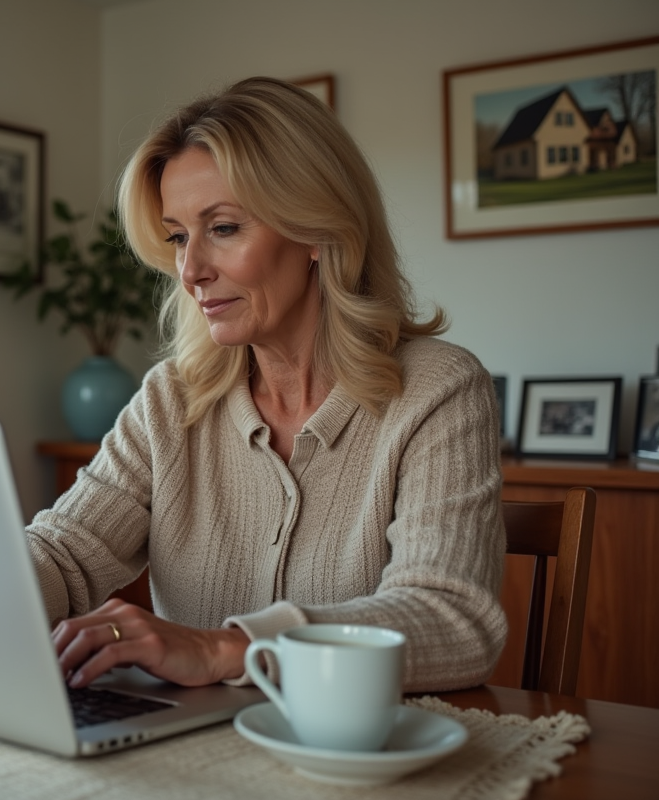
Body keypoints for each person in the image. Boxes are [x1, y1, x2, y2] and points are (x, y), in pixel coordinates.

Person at [26, 77, 507, 694]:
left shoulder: (438, 391)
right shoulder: (170, 400)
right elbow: (64, 554)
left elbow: (452, 619)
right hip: (191, 764)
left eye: (222, 228)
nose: (191, 270)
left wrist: (226, 648)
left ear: (315, 230)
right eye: (178, 236)